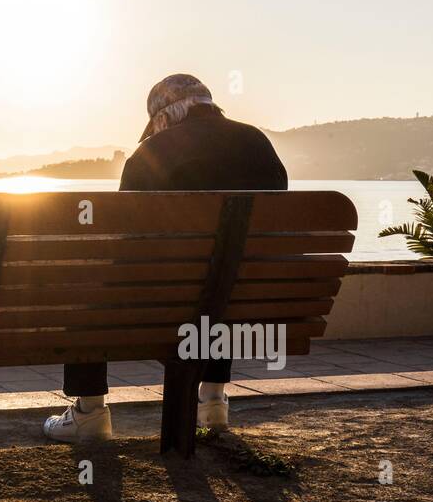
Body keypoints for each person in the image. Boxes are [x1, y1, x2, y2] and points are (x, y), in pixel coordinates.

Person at [43, 74, 288, 443]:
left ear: (163, 117)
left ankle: (89, 412)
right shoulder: (258, 143)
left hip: (159, 305)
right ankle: (212, 400)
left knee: (86, 287)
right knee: (222, 276)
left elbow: (125, 240)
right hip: (253, 301)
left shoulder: (152, 153)